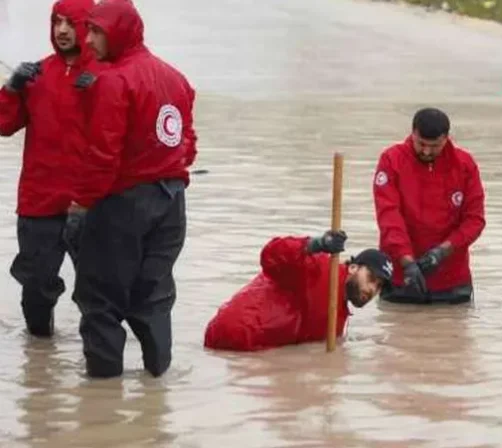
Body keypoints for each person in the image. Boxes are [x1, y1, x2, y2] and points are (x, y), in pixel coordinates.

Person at [70, 0, 197, 378]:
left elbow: (101, 156)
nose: (88, 40)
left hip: (123, 203)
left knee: (100, 301)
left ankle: (102, 402)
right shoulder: (175, 77)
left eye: (96, 32)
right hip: (172, 202)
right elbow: (187, 142)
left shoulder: (113, 81)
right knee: (154, 297)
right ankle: (157, 390)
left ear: (120, 32)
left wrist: (81, 203)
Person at [0, 0, 104, 338]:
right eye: (56, 22)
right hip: (39, 201)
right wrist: (11, 88)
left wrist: (101, 91)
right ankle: (40, 361)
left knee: (98, 291)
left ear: (89, 27)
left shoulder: (107, 74)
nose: (61, 30)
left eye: (70, 23)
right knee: (35, 287)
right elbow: (3, 125)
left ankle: (101, 366)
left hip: (91, 204)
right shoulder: (37, 75)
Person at [204, 231, 392, 351]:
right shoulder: (320, 267)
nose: (372, 289)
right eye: (371, 279)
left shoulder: (339, 317)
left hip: (255, 351)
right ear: (353, 268)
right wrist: (314, 245)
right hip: (233, 335)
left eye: (378, 287)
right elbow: (270, 255)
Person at [372, 107, 486, 305]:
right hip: (401, 278)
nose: (426, 151)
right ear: (413, 133)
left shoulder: (465, 165)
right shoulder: (391, 160)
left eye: (434, 146)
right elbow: (389, 217)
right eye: (421, 144)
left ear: (446, 138)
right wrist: (406, 260)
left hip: (452, 281)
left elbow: (474, 220)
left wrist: (442, 252)